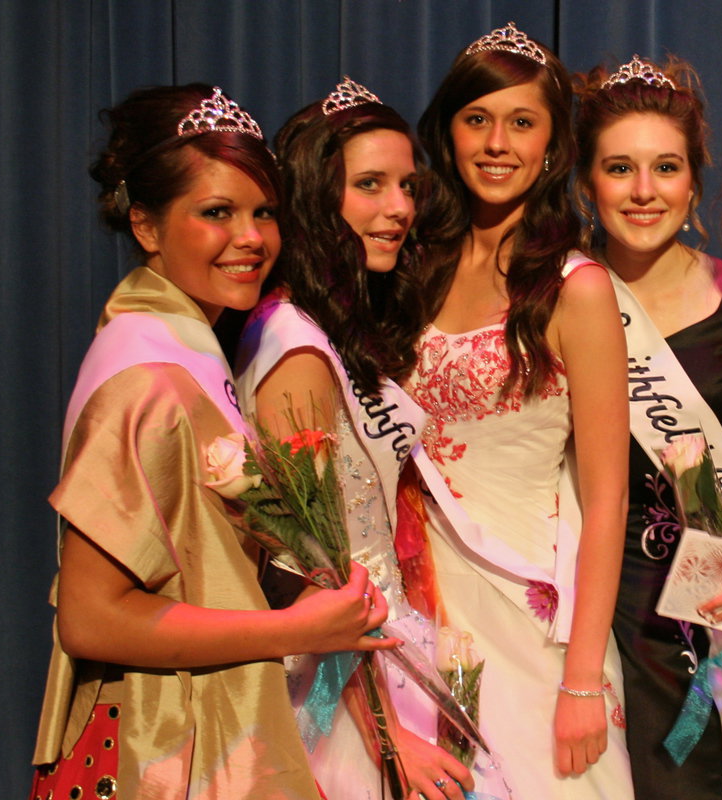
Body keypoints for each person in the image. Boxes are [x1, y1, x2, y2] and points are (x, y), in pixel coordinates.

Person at [29, 84, 396, 800]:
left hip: (213, 731)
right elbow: (90, 616)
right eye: (216, 213)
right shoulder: (147, 381)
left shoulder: (193, 346)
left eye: (265, 213)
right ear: (145, 224)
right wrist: (293, 629)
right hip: (158, 750)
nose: (252, 238)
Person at [404, 21, 634, 798]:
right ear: (449, 131)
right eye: (478, 119)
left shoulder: (577, 288)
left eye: (522, 122)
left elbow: (607, 499)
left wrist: (579, 681)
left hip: (533, 620)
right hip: (417, 613)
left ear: (551, 146)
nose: (497, 143)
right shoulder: (410, 272)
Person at [235, 77, 472, 800]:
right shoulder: (293, 344)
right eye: (370, 185)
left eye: (405, 185)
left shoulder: (332, 333)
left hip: (385, 653)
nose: (400, 207)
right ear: (314, 198)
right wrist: (387, 740)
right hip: (337, 690)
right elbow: (307, 561)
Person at [573, 55, 722, 800]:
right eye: (619, 168)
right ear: (584, 182)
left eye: (665, 167)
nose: (643, 192)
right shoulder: (556, 299)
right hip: (603, 615)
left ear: (694, 182)